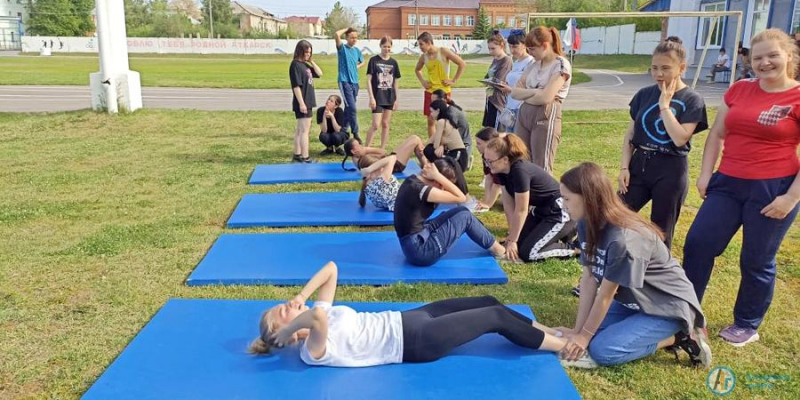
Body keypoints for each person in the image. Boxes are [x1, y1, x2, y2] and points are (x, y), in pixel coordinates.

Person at [683, 29, 800, 347]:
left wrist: (791, 197)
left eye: (773, 55)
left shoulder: (797, 96)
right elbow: (717, 134)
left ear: (789, 55)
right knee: (698, 243)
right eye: (758, 57)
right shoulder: (739, 89)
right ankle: (686, 311)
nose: (765, 63)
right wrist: (706, 173)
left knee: (756, 258)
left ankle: (747, 323)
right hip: (728, 183)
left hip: (773, 188)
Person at [249, 262, 573, 367]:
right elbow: (316, 320)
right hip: (416, 343)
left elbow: (332, 270)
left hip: (408, 319)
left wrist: (302, 296)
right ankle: (569, 349)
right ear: (288, 334)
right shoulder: (311, 350)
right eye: (284, 311)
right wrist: (296, 318)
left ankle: (551, 331)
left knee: (488, 300)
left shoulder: (315, 314)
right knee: (494, 318)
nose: (289, 305)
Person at [557, 162, 711, 369]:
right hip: (636, 302)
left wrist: (584, 337)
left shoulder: (623, 240)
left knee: (602, 350)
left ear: (588, 198)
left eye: (567, 198)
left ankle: (681, 336)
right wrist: (578, 331)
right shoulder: (586, 223)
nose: (563, 204)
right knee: (590, 332)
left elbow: (605, 295)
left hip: (667, 307)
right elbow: (589, 278)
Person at [618, 36, 708, 250]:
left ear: (681, 68)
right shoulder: (643, 94)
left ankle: (655, 275)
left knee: (661, 231)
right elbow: (630, 133)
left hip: (670, 169)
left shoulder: (692, 99)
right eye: (654, 68)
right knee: (615, 214)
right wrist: (624, 167)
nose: (659, 74)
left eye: (666, 68)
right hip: (640, 164)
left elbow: (679, 138)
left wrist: (665, 106)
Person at [484, 134, 577, 262]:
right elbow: (509, 205)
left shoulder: (520, 171)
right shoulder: (501, 172)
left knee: (528, 253)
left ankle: (574, 248)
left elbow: (521, 209)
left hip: (559, 211)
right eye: (485, 160)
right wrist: (513, 237)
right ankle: (562, 234)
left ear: (505, 159)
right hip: (541, 210)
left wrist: (513, 240)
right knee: (519, 246)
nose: (487, 165)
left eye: (490, 161)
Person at [394, 159, 501, 266]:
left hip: (415, 240)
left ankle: (489, 239)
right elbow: (461, 198)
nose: (445, 190)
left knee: (461, 211)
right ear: (437, 181)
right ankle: (501, 252)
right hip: (420, 251)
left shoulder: (413, 180)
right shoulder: (421, 190)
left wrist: (438, 176)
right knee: (465, 217)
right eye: (445, 186)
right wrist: (438, 176)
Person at [500, 26, 572, 173]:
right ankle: (524, 194)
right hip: (524, 114)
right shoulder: (534, 65)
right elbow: (515, 92)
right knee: (521, 159)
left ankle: (542, 195)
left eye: (532, 49)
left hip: (544, 114)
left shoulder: (560, 65)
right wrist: (536, 92)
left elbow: (546, 97)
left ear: (545, 46)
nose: (530, 53)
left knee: (541, 165)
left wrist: (528, 93)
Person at [342, 136, 428, 211]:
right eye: (359, 146)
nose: (362, 147)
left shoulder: (368, 184)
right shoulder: (381, 180)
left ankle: (424, 162)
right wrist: (369, 164)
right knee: (415, 140)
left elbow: (384, 154)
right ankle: (425, 164)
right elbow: (391, 158)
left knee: (416, 144)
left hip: (404, 199)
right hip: (410, 200)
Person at [415, 32, 467, 138]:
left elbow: (462, 64)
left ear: (428, 42)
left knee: (445, 121)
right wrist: (423, 81)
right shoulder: (423, 57)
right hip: (430, 92)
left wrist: (453, 80)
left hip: (444, 92)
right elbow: (417, 70)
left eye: (421, 44)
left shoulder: (443, 51)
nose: (420, 47)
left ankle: (446, 145)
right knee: (430, 121)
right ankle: (432, 145)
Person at [365, 36, 401, 149]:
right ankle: (366, 148)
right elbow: (368, 80)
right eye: (384, 46)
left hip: (389, 97)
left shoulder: (393, 62)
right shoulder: (374, 60)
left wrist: (396, 99)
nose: (386, 49)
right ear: (380, 46)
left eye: (389, 47)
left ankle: (382, 149)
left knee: (385, 124)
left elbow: (395, 82)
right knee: (376, 125)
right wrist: (371, 97)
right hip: (377, 97)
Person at [290, 40, 323, 163]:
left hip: (307, 101)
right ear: (300, 51)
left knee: (300, 129)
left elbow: (320, 73)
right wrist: (301, 103)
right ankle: (305, 157)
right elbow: (296, 86)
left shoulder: (305, 65)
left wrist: (311, 61)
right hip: (303, 102)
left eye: (309, 52)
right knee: (304, 131)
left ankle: (297, 155)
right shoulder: (295, 65)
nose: (308, 54)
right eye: (306, 52)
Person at [497, 29, 534, 133]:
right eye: (510, 46)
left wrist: (510, 89)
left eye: (515, 46)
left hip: (521, 107)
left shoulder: (531, 62)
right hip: (510, 107)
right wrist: (505, 86)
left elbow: (530, 88)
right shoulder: (516, 62)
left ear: (524, 45)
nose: (512, 50)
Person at [335, 27, 365, 141]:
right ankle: (355, 133)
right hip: (344, 81)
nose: (354, 39)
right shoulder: (342, 48)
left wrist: (357, 66)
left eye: (356, 37)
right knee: (352, 108)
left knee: (349, 108)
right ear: (347, 37)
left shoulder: (357, 51)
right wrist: (348, 28)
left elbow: (363, 61)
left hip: (355, 83)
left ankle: (343, 129)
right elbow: (336, 34)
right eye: (352, 37)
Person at [423, 100, 469, 173]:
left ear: (438, 110)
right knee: (429, 149)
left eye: (431, 111)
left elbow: (435, 146)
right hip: (457, 154)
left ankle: (435, 169)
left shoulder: (441, 122)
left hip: (458, 156)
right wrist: (442, 145)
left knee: (429, 150)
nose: (430, 114)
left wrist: (440, 146)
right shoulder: (448, 120)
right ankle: (434, 167)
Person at [431, 89, 471, 166]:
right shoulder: (444, 111)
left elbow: (454, 134)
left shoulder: (451, 113)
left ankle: (467, 161)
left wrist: (443, 146)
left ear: (443, 100)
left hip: (462, 145)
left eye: (434, 101)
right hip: (452, 143)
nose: (432, 103)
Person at [482, 32, 512, 130]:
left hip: (498, 101)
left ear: (502, 45)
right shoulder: (495, 59)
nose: (491, 52)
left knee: (496, 131)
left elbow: (499, 80)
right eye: (489, 48)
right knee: (489, 129)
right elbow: (487, 76)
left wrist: (489, 81)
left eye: (493, 48)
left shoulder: (506, 60)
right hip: (490, 97)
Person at [475, 127, 503, 212]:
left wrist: (488, 204)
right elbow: (489, 177)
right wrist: (485, 200)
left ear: (489, 143)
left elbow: (497, 184)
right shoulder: (485, 156)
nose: (476, 146)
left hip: (515, 186)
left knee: (505, 203)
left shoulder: (498, 158)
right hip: (504, 185)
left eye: (479, 143)